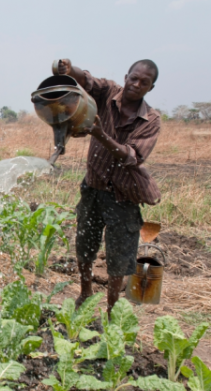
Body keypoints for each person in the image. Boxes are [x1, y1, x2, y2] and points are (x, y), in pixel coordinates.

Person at [56, 58, 161, 316]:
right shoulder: (109, 93)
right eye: (133, 78)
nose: (136, 84)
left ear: (151, 87)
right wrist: (69, 70)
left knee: (119, 258)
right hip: (92, 188)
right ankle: (84, 294)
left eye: (144, 82)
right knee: (85, 245)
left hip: (122, 196)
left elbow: (132, 157)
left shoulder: (151, 120)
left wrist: (101, 135)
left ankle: (112, 309)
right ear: (126, 76)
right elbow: (87, 81)